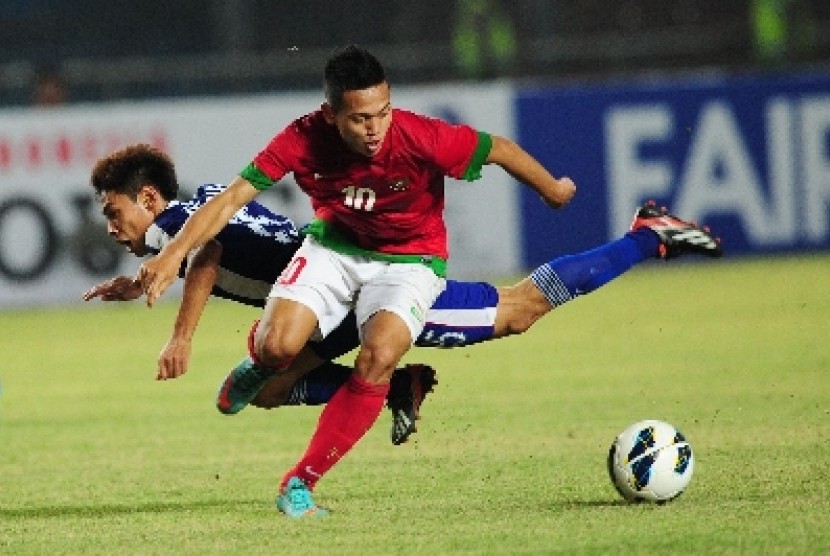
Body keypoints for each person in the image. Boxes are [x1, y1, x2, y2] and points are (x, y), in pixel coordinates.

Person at [130, 45, 711, 518]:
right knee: (275, 357)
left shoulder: (419, 136)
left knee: (492, 319)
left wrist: (552, 189)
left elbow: (500, 149)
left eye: (382, 111)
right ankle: (267, 361)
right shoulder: (302, 137)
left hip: (409, 268)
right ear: (331, 114)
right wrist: (169, 254)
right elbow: (232, 198)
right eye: (360, 118)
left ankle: (300, 483)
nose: (376, 127)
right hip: (334, 252)